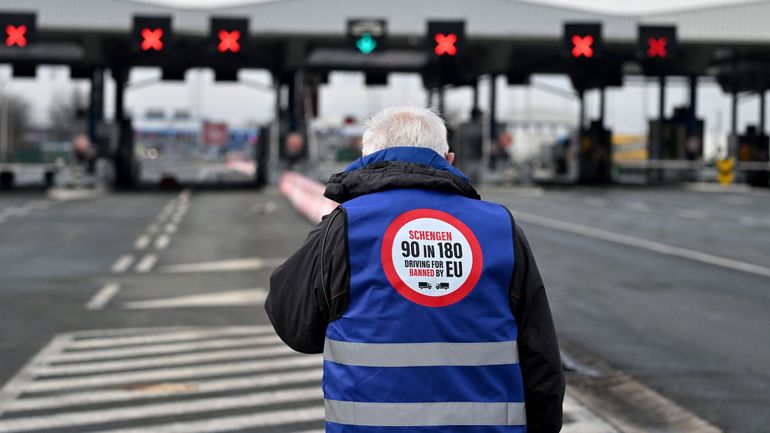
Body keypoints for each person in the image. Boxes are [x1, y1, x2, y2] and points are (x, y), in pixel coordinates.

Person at [266, 106, 565, 433]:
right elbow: (541, 359)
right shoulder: (500, 229)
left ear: (368, 157)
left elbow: (294, 324)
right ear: (448, 160)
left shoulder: (345, 229)